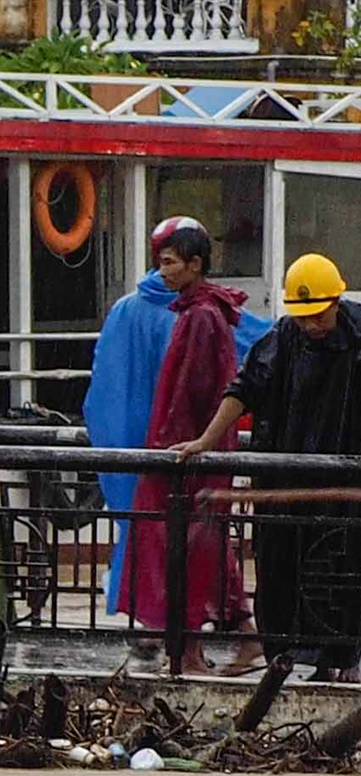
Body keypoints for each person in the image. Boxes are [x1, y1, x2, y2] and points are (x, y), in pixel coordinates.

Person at [178, 253, 359, 677]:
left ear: (337, 301)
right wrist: (206, 439)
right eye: (304, 318)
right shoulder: (285, 338)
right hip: (285, 475)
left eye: (318, 316)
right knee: (281, 565)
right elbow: (245, 386)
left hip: (343, 480)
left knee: (340, 566)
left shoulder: (357, 335)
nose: (312, 326)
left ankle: (342, 656)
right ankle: (286, 653)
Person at [87, 217, 263, 633]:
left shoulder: (193, 313)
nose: (163, 271)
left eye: (170, 263)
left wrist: (184, 440)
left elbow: (188, 389)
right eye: (162, 262)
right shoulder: (207, 310)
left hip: (175, 451)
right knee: (197, 544)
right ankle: (226, 634)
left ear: (194, 263)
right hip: (184, 448)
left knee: (176, 543)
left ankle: (184, 642)